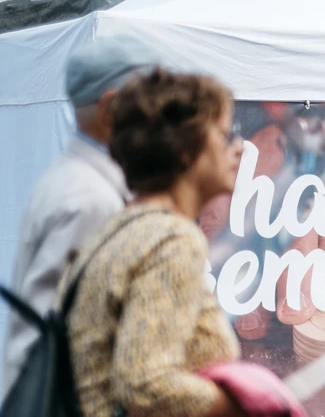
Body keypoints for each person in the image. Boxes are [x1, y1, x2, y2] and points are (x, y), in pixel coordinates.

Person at [63, 68, 251, 417]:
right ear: (184, 151)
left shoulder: (115, 230)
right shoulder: (173, 240)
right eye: (226, 135)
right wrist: (243, 404)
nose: (238, 148)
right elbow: (144, 383)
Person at [3, 38, 158, 393]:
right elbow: (46, 332)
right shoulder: (91, 200)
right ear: (110, 108)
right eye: (146, 104)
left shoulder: (76, 181)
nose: (156, 118)